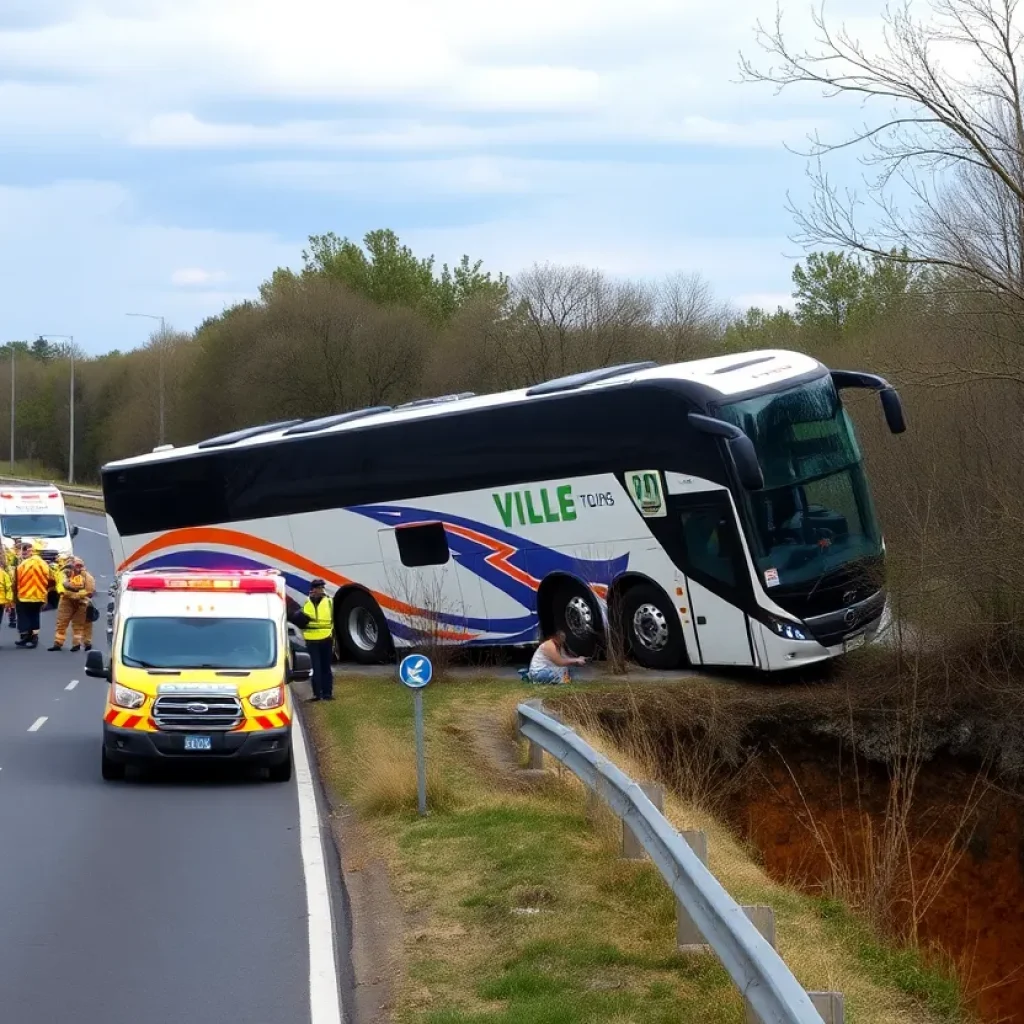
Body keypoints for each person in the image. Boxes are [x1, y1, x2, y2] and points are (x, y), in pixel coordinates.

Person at [294, 578, 334, 702]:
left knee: (326, 668)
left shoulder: (329, 601)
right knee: (316, 668)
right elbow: (301, 620)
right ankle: (318, 694)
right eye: (318, 588)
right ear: (313, 589)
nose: (321, 590)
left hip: (326, 638)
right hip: (312, 640)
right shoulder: (307, 602)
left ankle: (327, 694)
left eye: (322, 587)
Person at [49, 556, 96, 652]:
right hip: (66, 601)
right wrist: (72, 592)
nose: (78, 568)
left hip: (81, 602)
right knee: (61, 623)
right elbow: (61, 587)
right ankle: (58, 643)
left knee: (78, 624)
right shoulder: (64, 574)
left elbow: (90, 591)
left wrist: (77, 595)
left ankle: (76, 644)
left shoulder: (87, 577)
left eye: (80, 566)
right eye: (76, 565)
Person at [14, 542, 52, 649]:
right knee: (35, 616)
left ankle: (27, 637)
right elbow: (50, 578)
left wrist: (15, 596)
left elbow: (16, 581)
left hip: (25, 596)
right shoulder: (43, 564)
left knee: (26, 617)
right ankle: (34, 637)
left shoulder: (22, 565)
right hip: (39, 595)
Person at [520, 629, 586, 685]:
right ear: (556, 637)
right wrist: (576, 660)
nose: (563, 641)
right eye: (561, 638)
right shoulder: (549, 645)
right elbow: (560, 662)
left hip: (543, 670)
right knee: (562, 671)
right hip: (539, 672)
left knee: (565, 669)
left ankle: (529, 677)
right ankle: (533, 678)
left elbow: (565, 658)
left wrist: (577, 661)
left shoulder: (558, 645)